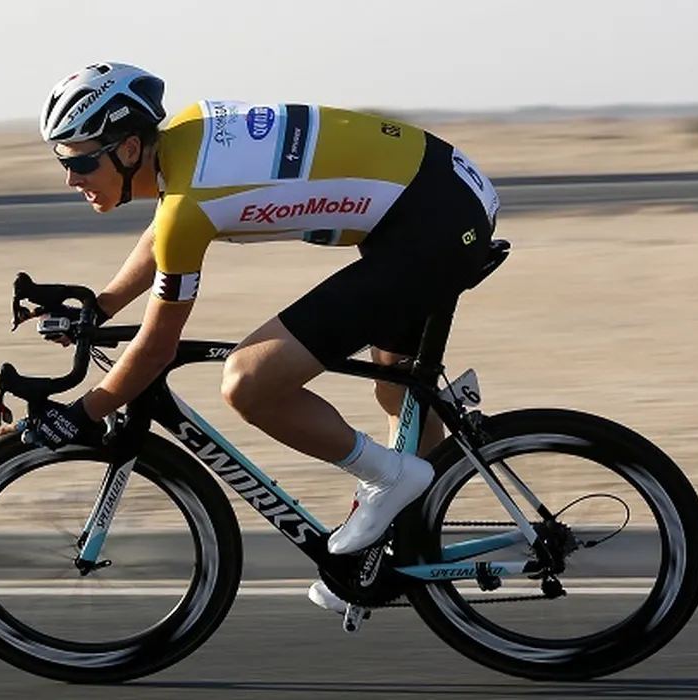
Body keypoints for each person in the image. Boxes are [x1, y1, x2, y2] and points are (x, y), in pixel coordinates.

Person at [29, 61, 501, 615]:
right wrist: (101, 305)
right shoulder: (183, 138)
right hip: (435, 200)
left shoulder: (189, 207)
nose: (72, 178)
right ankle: (397, 553)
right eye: (64, 161)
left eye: (81, 161)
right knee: (398, 392)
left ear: (130, 149)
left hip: (432, 224)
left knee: (249, 382)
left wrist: (83, 412)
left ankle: (388, 478)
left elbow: (156, 348)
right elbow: (162, 234)